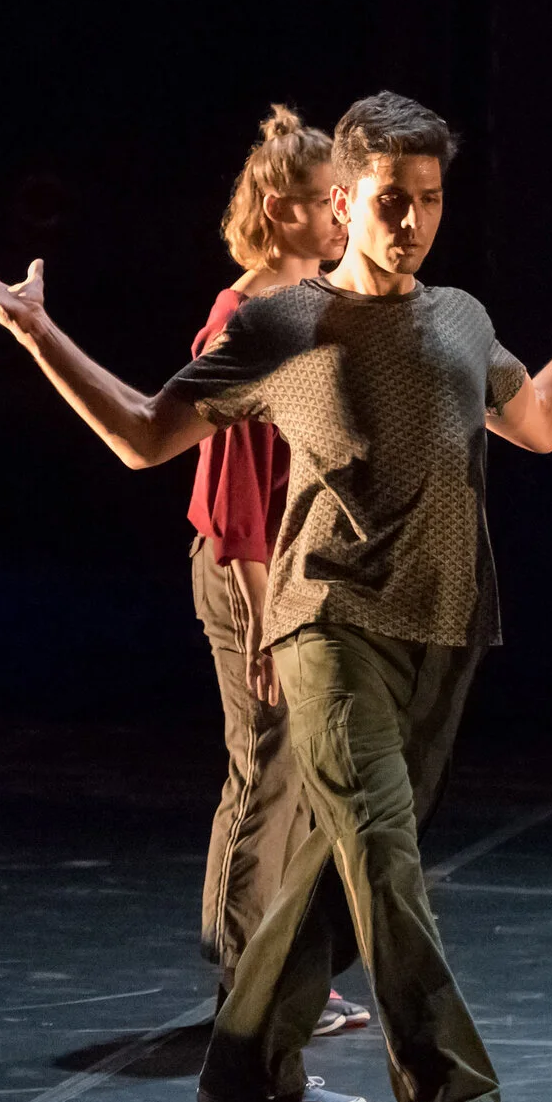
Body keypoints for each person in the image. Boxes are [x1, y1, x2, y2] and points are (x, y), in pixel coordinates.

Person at [0, 91, 552, 1102]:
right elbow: (145, 435)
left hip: (444, 628)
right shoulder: (282, 324)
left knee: (340, 868)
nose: (412, 222)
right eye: (390, 200)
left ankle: (244, 1066)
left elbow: (542, 420)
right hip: (327, 625)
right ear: (346, 200)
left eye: (430, 199)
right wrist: (36, 330)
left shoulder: (460, 319)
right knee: (382, 851)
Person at [183, 106, 368, 1039]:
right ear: (276, 209)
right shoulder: (247, 320)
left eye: (344, 198)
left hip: (297, 571)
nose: (342, 215)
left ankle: (279, 973)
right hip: (248, 572)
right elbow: (234, 499)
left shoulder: (313, 307)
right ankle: (245, 992)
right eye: (325, 200)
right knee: (267, 770)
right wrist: (263, 622)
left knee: (300, 777)